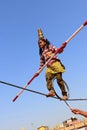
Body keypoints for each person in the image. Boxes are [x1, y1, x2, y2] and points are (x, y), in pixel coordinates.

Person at [37, 28, 68, 100]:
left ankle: (64, 94)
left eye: (41, 42)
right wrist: (38, 71)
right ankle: (51, 91)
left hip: (55, 63)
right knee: (47, 77)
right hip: (49, 67)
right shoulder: (41, 53)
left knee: (59, 79)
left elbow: (57, 50)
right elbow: (42, 62)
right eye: (39, 43)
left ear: (45, 42)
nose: (40, 44)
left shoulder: (50, 47)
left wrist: (61, 48)